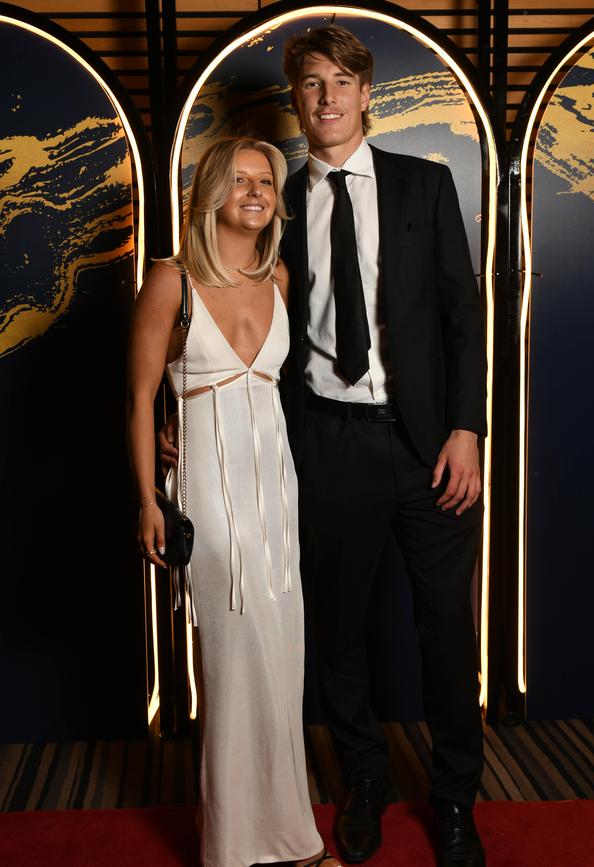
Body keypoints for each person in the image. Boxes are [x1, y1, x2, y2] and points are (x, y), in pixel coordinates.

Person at [162, 26, 487, 867]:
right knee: (335, 633)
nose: (328, 98)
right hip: (326, 447)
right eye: (312, 84)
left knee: (448, 629)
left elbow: (463, 315)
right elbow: (219, 296)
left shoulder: (425, 184)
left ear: (366, 93)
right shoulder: (276, 200)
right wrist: (181, 409)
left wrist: (468, 428)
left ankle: (456, 801)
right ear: (297, 99)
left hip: (427, 449)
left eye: (343, 82)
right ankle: (365, 783)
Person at [127, 136, 340, 867]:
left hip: (276, 485)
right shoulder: (170, 280)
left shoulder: (278, 276)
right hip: (209, 489)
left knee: (282, 652)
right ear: (213, 190)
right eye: (241, 179)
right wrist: (149, 499)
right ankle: (232, 845)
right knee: (233, 651)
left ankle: (288, 832)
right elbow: (137, 399)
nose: (256, 191)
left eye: (267, 182)